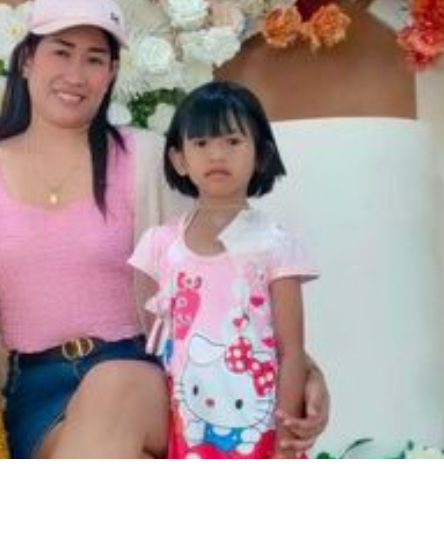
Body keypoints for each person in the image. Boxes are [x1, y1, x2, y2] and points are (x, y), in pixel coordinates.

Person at [0, 0, 330, 458]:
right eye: (61, 52)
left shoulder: (147, 159)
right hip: (37, 390)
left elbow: (228, 276)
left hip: (148, 376)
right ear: (26, 60)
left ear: (111, 73)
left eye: (94, 59)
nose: (75, 74)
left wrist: (304, 370)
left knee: (114, 383)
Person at [130, 81, 316, 458]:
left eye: (232, 141)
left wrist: (285, 445)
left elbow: (292, 353)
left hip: (262, 434)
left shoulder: (276, 246)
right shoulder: (158, 245)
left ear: (261, 154)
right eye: (201, 143)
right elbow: (155, 340)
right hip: (188, 430)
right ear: (179, 159)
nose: (217, 154)